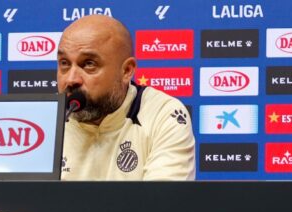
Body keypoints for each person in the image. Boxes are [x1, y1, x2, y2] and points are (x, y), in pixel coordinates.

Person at [57, 15, 196, 181]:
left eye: (89, 64)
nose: (71, 79)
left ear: (127, 71)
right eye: (64, 63)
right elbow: (23, 202)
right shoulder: (42, 122)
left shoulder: (162, 114)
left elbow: (162, 203)